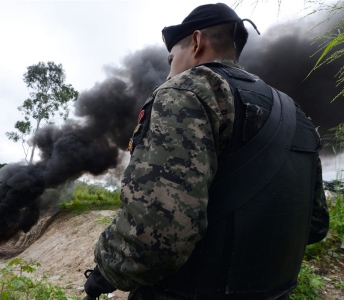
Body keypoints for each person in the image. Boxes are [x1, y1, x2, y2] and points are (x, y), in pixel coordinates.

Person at [84, 3, 329, 300]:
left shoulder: (189, 91)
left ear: (197, 42)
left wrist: (106, 271)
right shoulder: (296, 114)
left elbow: (155, 237)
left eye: (171, 59)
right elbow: (315, 226)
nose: (168, 74)